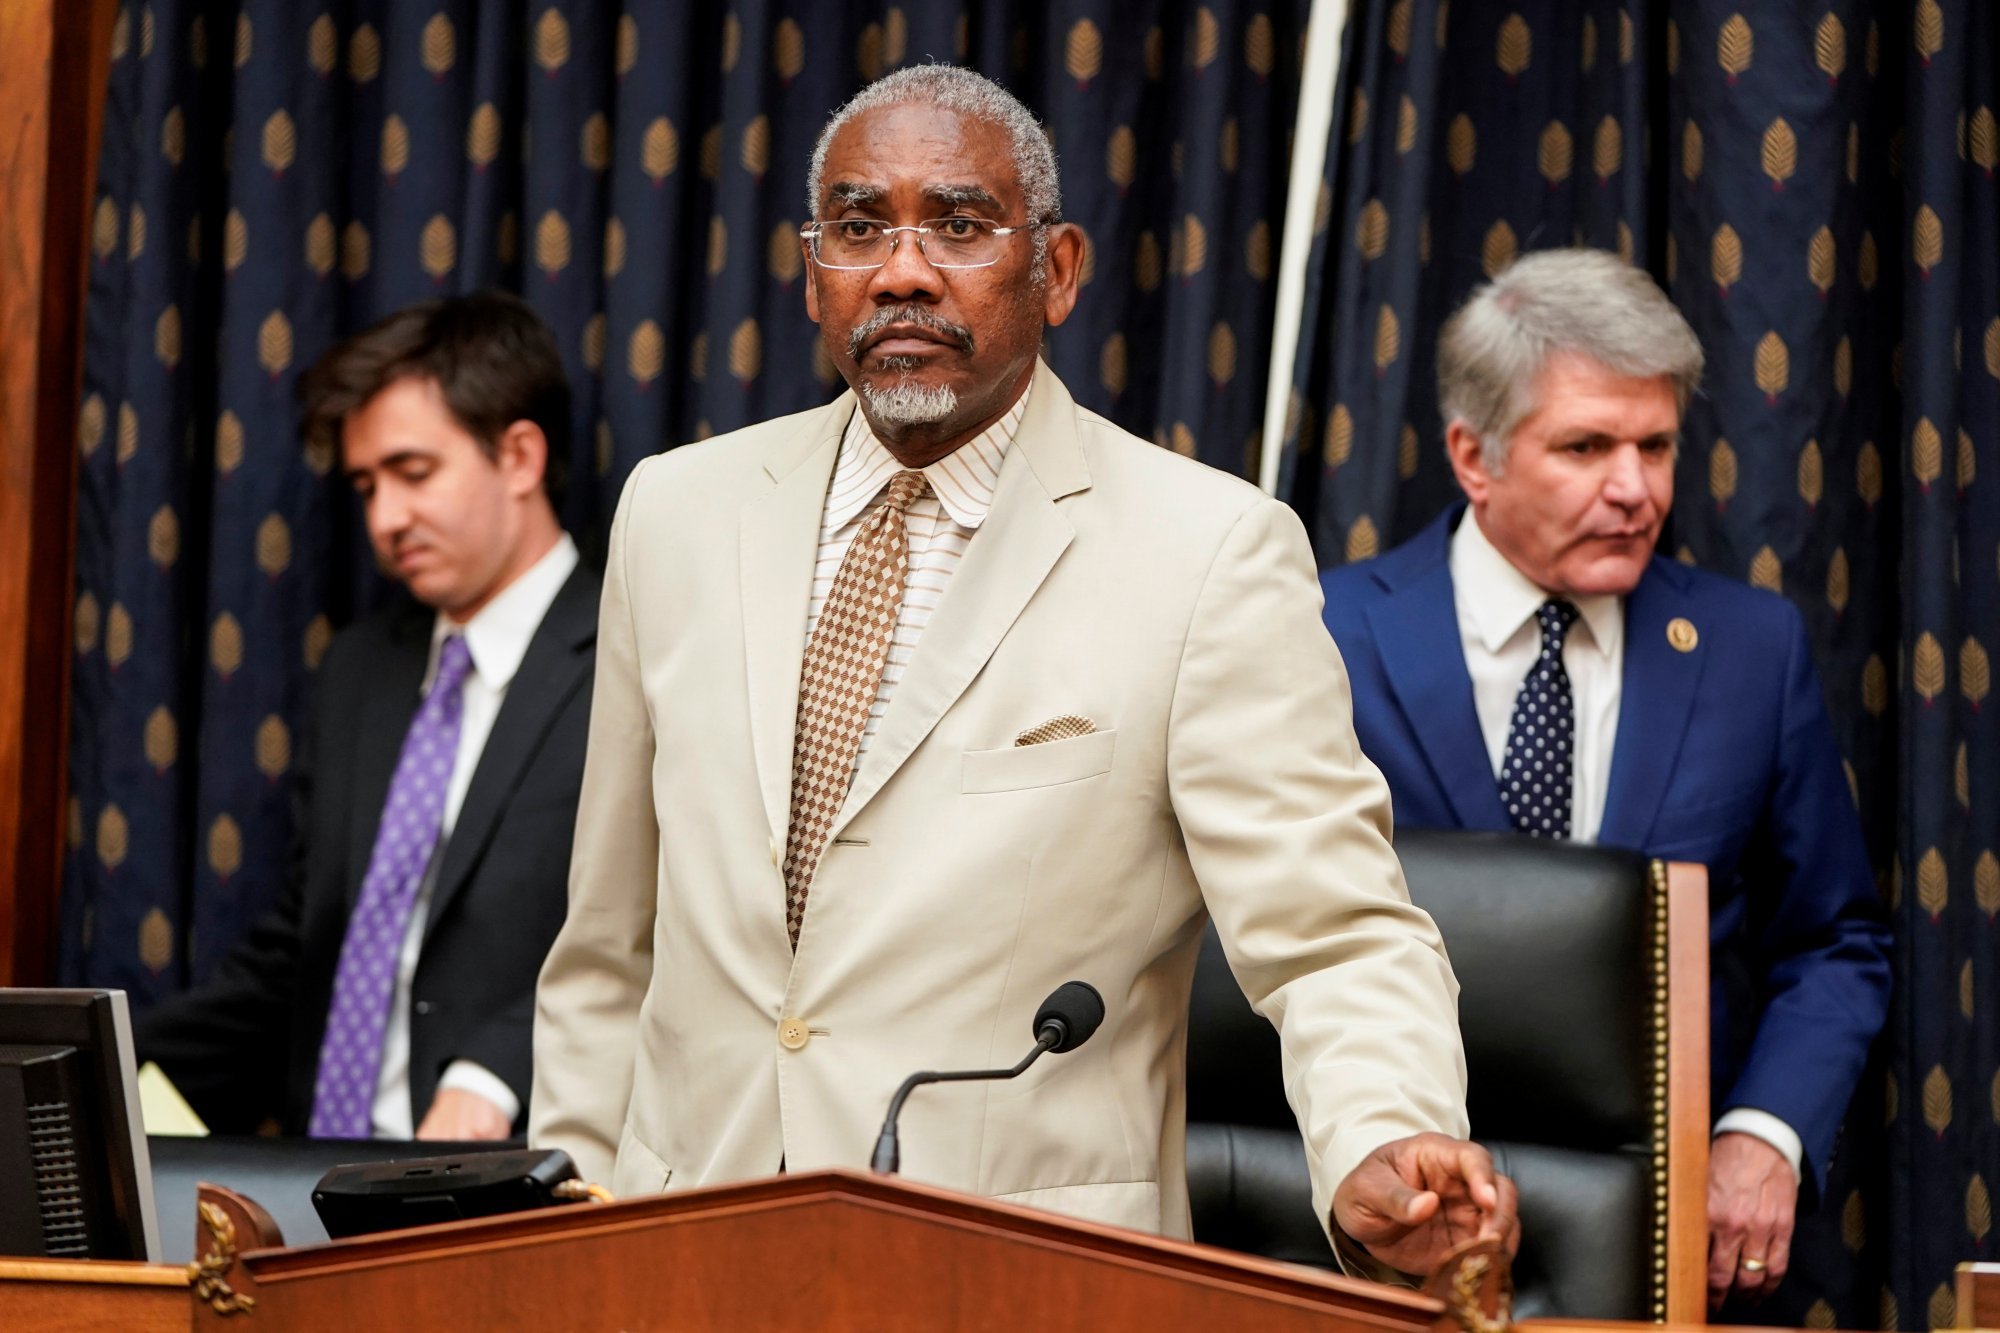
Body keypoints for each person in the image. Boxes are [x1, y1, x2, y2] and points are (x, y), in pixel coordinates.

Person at [531, 65, 1513, 1278]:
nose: (899, 270)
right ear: (809, 273)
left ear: (1053, 271)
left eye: (955, 225)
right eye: (856, 228)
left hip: (1017, 1278)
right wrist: (560, 1238)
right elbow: (607, 945)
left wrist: (1383, 1133)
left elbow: (1331, 937)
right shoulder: (674, 511)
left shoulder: (1205, 552)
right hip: (678, 1266)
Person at [1318, 249, 1892, 1309]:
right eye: (1585, 446)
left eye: (1655, 446)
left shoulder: (1747, 648)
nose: (1634, 489)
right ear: (1471, 456)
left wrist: (1761, 1135)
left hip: (1669, 1245)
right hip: (1393, 1226)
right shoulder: (1324, 633)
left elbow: (1833, 940)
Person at [137, 292, 598, 1142]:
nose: (385, 518)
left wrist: (499, 1070)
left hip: (508, 1191)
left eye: (413, 473)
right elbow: (303, 946)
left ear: (521, 456)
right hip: (312, 1181)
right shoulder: (362, 670)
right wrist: (113, 1070)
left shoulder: (633, 655)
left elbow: (658, 938)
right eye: (366, 486)